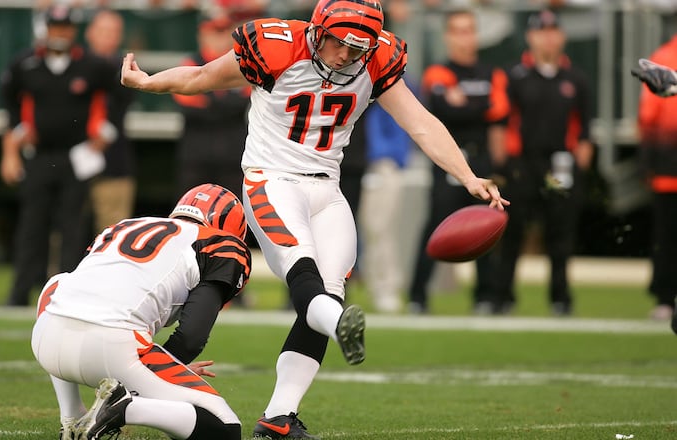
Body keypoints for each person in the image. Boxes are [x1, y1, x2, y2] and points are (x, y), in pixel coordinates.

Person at [120, 0, 508, 437]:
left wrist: (468, 176)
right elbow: (200, 77)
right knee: (304, 274)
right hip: (272, 180)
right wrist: (148, 82)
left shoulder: (376, 60)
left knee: (329, 292)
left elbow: (420, 123)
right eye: (339, 43)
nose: (345, 55)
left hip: (328, 188)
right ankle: (338, 324)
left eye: (357, 48)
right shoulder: (277, 48)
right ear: (318, 30)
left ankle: (279, 416)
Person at [31, 183, 250, 440]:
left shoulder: (124, 226)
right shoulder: (220, 244)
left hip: (45, 339)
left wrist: (168, 368)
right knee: (226, 428)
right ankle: (125, 408)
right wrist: (170, 366)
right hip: (113, 349)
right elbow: (192, 336)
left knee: (60, 283)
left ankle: (70, 415)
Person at [0, 3, 117, 307]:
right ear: (46, 28)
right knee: (31, 225)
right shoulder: (26, 64)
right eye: (55, 27)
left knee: (72, 227)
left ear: (73, 30)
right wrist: (12, 147)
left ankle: (67, 294)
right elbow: (9, 105)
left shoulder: (92, 65)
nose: (60, 33)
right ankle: (20, 292)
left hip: (75, 157)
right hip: (38, 155)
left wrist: (105, 132)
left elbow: (119, 96)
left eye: (65, 28)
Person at [408, 9, 509, 315]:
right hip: (448, 161)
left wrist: (466, 104)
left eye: (469, 30)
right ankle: (418, 296)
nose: (465, 38)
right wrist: (479, 105)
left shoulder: (493, 74)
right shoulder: (437, 72)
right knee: (435, 226)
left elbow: (498, 115)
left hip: (482, 160)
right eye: (459, 31)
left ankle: (485, 297)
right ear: (448, 36)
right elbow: (445, 110)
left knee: (487, 226)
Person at [495, 9, 593, 316]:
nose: (548, 38)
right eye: (541, 32)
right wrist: (504, 166)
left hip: (560, 166)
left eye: (553, 31)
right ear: (530, 37)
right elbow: (502, 123)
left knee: (561, 233)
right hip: (522, 164)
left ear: (562, 36)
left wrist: (579, 168)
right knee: (512, 232)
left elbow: (585, 130)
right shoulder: (514, 75)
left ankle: (561, 299)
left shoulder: (576, 78)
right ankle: (502, 297)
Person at [172, 15, 250, 204]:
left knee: (234, 208)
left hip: (233, 156)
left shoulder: (243, 65)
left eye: (223, 32)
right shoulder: (190, 63)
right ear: (202, 35)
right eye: (214, 31)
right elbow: (187, 103)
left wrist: (209, 100)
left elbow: (243, 101)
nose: (219, 38)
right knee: (190, 208)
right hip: (196, 156)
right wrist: (224, 102)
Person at [358, 86, 416, 314]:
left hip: (381, 164)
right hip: (347, 163)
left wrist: (387, 157)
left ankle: (386, 288)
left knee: (380, 229)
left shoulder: (392, 81)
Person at [635, 38, 677, 322]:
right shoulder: (665, 55)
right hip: (669, 162)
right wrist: (647, 159)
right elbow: (648, 115)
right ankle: (665, 296)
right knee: (667, 236)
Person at [84, 9, 137, 233]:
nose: (107, 37)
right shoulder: (74, 66)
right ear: (89, 33)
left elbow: (119, 107)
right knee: (67, 230)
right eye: (102, 31)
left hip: (113, 162)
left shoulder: (125, 70)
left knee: (113, 233)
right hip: (71, 161)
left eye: (113, 32)